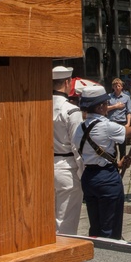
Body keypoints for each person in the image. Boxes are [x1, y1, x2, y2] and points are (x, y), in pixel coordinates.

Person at [73, 85, 131, 239]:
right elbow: (130, 132)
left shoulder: (80, 128)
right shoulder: (106, 126)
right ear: (101, 106)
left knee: (95, 225)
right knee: (110, 226)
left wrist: (118, 164)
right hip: (106, 177)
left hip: (89, 176)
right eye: (106, 104)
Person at [53, 65, 84, 234]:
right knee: (66, 221)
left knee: (48, 219)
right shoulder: (71, 110)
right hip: (66, 167)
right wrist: (83, 172)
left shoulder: (41, 106)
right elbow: (77, 146)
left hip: (45, 165)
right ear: (67, 82)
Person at [107, 78, 131, 160]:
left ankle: (122, 162)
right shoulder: (109, 97)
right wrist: (115, 106)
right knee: (112, 145)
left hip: (122, 122)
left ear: (121, 87)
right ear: (113, 87)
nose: (117, 87)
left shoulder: (126, 97)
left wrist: (128, 123)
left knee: (122, 145)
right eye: (115, 86)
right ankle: (114, 162)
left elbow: (129, 112)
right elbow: (105, 109)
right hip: (111, 122)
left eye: (119, 86)